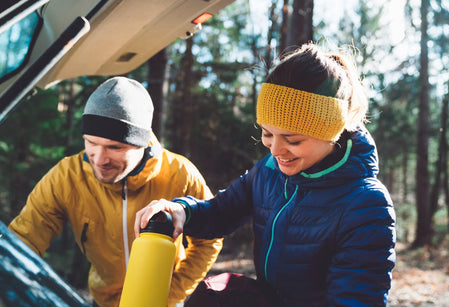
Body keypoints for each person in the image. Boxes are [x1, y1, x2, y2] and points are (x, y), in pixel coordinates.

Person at [135, 43, 396, 306]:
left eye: (292, 139)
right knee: (218, 295)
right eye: (267, 134)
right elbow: (220, 212)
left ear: (332, 131)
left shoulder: (365, 204)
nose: (276, 150)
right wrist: (181, 211)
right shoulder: (269, 171)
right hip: (270, 298)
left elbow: (356, 299)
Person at [9, 76, 223, 307]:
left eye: (115, 147)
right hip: (102, 302)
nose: (99, 159)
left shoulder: (180, 173)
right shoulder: (66, 177)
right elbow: (23, 240)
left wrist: (169, 295)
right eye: (91, 142)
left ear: (141, 144)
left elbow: (209, 240)